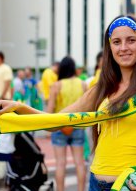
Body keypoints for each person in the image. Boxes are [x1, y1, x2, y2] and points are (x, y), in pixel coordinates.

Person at [0, 15, 136, 191]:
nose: (123, 48)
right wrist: (20, 108)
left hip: (133, 185)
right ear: (109, 47)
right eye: (116, 42)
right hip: (95, 182)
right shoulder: (102, 88)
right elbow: (57, 122)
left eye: (131, 40)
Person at [47, 56, 87, 191]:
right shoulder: (82, 84)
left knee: (60, 164)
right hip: (77, 126)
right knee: (79, 163)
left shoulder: (56, 86)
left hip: (59, 127)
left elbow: (50, 109)